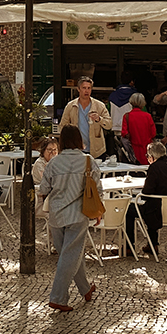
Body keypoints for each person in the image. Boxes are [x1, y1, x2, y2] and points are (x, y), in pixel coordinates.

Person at [37, 125, 99, 312]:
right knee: (70, 255)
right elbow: (97, 188)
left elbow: (43, 189)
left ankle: (85, 289)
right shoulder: (88, 161)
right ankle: (58, 297)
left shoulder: (54, 163)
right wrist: (98, 211)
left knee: (69, 253)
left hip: (56, 215)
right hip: (78, 214)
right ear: (79, 139)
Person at [125, 140, 167, 255]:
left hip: (158, 213)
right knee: (154, 203)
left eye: (148, 156)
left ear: (152, 156)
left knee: (129, 210)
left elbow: (146, 192)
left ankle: (129, 247)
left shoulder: (154, 168)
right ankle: (152, 244)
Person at [58, 77, 112, 159]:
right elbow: (62, 126)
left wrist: (99, 119)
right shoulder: (71, 106)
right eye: (84, 88)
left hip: (96, 151)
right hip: (76, 150)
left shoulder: (99, 106)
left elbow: (109, 125)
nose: (86, 91)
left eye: (89, 88)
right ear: (78, 89)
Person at [121, 93, 157, 165]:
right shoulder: (148, 116)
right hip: (147, 150)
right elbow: (153, 133)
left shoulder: (127, 116)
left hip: (133, 150)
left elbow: (124, 133)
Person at [32, 136, 60, 218]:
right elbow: (48, 183)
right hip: (42, 200)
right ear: (43, 150)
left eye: (55, 150)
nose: (53, 152)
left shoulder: (58, 161)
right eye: (49, 150)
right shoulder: (39, 163)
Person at [108, 71, 136, 137]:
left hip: (114, 128)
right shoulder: (135, 96)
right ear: (132, 82)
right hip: (130, 129)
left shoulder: (112, 95)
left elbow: (107, 112)